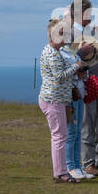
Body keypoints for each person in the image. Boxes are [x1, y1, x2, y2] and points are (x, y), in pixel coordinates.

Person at [63, 0, 98, 176]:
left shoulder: (96, 32)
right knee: (87, 122)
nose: (90, 15)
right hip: (83, 83)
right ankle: (88, 161)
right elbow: (68, 57)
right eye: (86, 12)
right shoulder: (70, 34)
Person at [39, 19, 78, 183]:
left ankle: (61, 171)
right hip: (53, 100)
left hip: (55, 99)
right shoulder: (53, 53)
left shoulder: (52, 50)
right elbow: (59, 76)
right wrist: (77, 66)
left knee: (59, 136)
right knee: (59, 137)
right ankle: (61, 173)